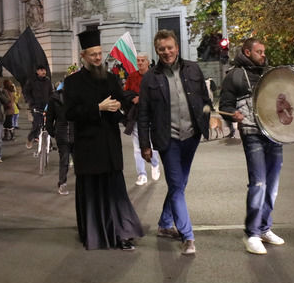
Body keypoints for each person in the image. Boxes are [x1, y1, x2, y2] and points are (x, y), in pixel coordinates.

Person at [63, 29, 143, 251]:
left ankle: (122, 233)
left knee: (115, 192)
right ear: (83, 56)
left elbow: (119, 105)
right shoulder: (73, 82)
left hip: (109, 146)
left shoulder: (110, 78)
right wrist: (97, 108)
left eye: (99, 54)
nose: (98, 58)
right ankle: (95, 233)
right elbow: (69, 113)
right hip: (88, 148)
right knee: (93, 194)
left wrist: (119, 107)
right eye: (93, 55)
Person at [138, 29, 211, 256]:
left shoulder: (193, 69)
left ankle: (164, 223)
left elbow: (205, 100)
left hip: (191, 136)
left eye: (170, 48)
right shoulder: (150, 78)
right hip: (167, 140)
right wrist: (145, 145)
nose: (167, 52)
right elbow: (143, 114)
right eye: (162, 49)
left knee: (180, 183)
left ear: (176, 47)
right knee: (177, 186)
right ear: (157, 51)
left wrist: (209, 118)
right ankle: (188, 236)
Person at [220, 38, 286, 255]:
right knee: (258, 183)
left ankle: (265, 227)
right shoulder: (234, 75)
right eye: (259, 51)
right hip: (252, 133)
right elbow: (225, 106)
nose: (263, 55)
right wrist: (234, 115)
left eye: (264, 51)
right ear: (247, 52)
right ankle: (251, 234)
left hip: (274, 133)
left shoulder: (269, 73)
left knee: (273, 186)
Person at [123, 52, 161, 186]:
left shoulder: (154, 76)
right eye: (138, 60)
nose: (140, 63)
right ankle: (142, 174)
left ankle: (155, 164)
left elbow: (159, 95)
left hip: (152, 116)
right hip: (136, 117)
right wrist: (130, 98)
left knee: (152, 144)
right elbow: (125, 93)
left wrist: (143, 98)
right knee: (137, 148)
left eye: (142, 60)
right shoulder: (132, 77)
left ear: (148, 62)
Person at [45, 75, 74, 195]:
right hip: (62, 134)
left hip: (76, 133)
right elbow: (50, 117)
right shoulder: (55, 98)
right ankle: (62, 183)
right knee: (64, 160)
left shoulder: (78, 97)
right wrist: (53, 132)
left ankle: (84, 184)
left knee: (81, 160)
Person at [24, 65, 54, 149]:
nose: (44, 71)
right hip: (36, 106)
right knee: (37, 123)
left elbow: (51, 92)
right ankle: (30, 138)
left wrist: (51, 101)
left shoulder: (47, 81)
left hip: (46, 106)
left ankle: (49, 143)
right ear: (37, 71)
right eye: (41, 70)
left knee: (47, 124)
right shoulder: (31, 80)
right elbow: (26, 92)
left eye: (44, 70)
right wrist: (31, 101)